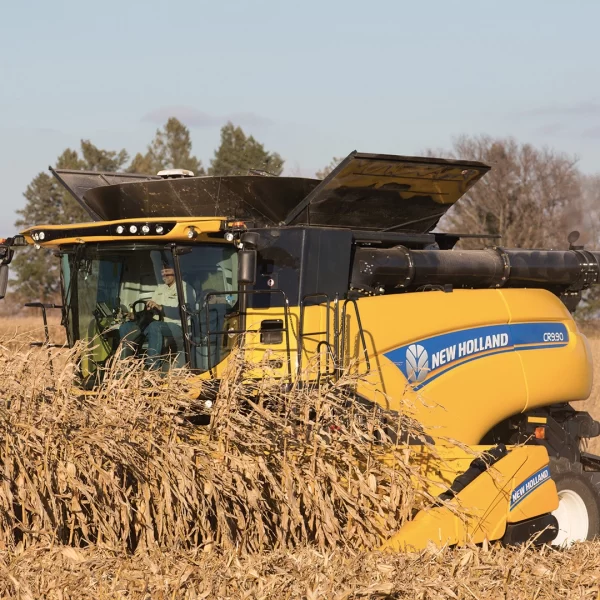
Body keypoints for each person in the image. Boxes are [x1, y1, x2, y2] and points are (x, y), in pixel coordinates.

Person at [119, 266, 193, 370]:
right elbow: (150, 310)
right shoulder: (160, 288)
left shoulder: (186, 289)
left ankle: (152, 368)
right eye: (163, 274)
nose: (165, 276)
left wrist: (160, 307)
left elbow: (184, 313)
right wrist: (134, 316)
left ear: (176, 272)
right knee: (126, 327)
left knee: (155, 326)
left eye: (168, 273)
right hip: (157, 323)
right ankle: (125, 365)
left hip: (178, 327)